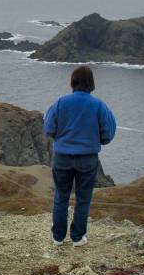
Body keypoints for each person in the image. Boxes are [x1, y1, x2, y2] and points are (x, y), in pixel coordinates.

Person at [43, 65, 116, 246]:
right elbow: (108, 133)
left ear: (72, 82)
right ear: (91, 83)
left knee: (61, 195)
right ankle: (78, 237)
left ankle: (58, 238)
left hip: (62, 156)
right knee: (83, 198)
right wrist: (95, 140)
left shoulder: (60, 102)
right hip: (87, 158)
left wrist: (62, 138)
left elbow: (49, 128)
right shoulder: (99, 106)